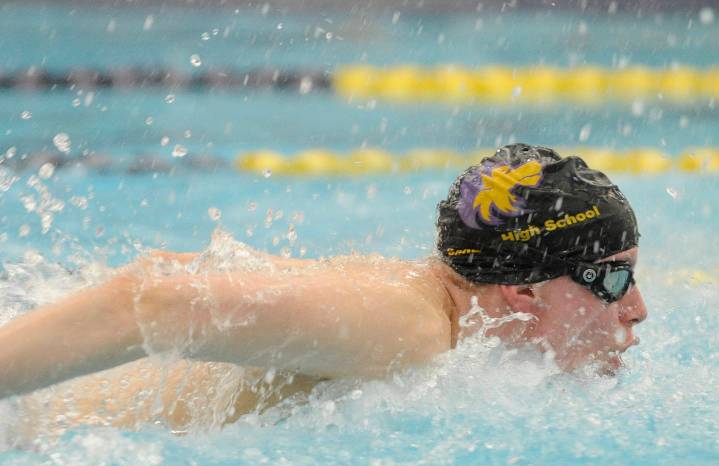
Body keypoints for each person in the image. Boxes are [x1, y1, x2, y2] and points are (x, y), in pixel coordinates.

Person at [0, 144, 647, 432]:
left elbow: (184, 271)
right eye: (614, 279)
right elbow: (153, 299)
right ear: (523, 291)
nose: (637, 309)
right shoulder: (408, 327)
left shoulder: (420, 302)